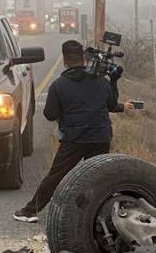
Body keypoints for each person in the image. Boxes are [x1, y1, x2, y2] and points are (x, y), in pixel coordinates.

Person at [13, 40, 136, 222]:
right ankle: (98, 216)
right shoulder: (101, 82)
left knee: (56, 175)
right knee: (98, 177)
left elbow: (49, 114)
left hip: (74, 138)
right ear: (84, 59)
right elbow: (111, 104)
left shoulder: (59, 85)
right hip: (100, 136)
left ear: (65, 60)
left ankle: (31, 211)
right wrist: (114, 81)